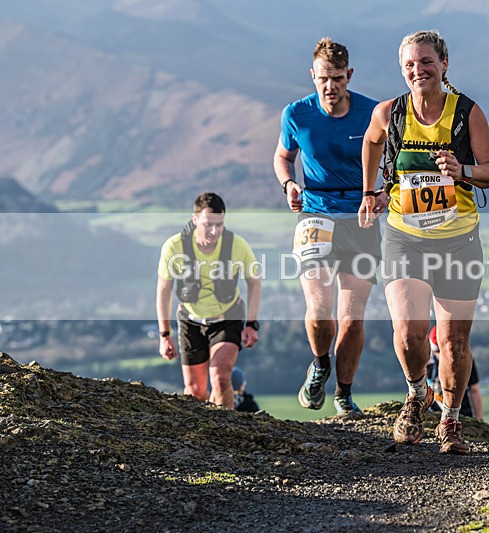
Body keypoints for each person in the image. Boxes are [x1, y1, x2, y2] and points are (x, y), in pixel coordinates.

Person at [359, 30, 489, 454]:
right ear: (401, 69)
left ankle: (451, 420)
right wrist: (369, 192)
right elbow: (371, 141)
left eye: (426, 62)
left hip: (459, 241)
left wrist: (462, 171)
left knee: (454, 342)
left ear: (443, 64)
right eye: (409, 64)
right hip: (405, 237)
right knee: (409, 332)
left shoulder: (467, 113)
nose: (418, 70)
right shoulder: (389, 113)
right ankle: (417, 393)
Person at [274, 37, 385, 416]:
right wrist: (289, 184)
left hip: (360, 218)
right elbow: (283, 156)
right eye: (323, 78)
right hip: (315, 215)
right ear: (313, 75)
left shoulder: (372, 112)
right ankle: (320, 363)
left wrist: (384, 193)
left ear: (349, 75)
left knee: (351, 321)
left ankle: (343, 393)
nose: (330, 86)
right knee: (321, 311)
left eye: (337, 78)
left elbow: (395, 161)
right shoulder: (296, 114)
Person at [156, 192, 261, 409]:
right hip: (190, 320)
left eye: (219, 225)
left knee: (220, 378)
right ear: (195, 220)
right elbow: (164, 291)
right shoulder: (174, 247)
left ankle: (226, 429)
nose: (214, 231)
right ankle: (200, 429)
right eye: (208, 225)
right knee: (195, 391)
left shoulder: (237, 245)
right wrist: (164, 335)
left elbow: (255, 283)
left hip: (227, 318)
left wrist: (251, 324)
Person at [428, 325, 483, 420]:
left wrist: (479, 419)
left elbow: (474, 389)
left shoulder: (464, 361)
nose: (440, 356)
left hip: (462, 415)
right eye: (437, 352)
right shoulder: (427, 363)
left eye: (443, 352)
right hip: (436, 414)